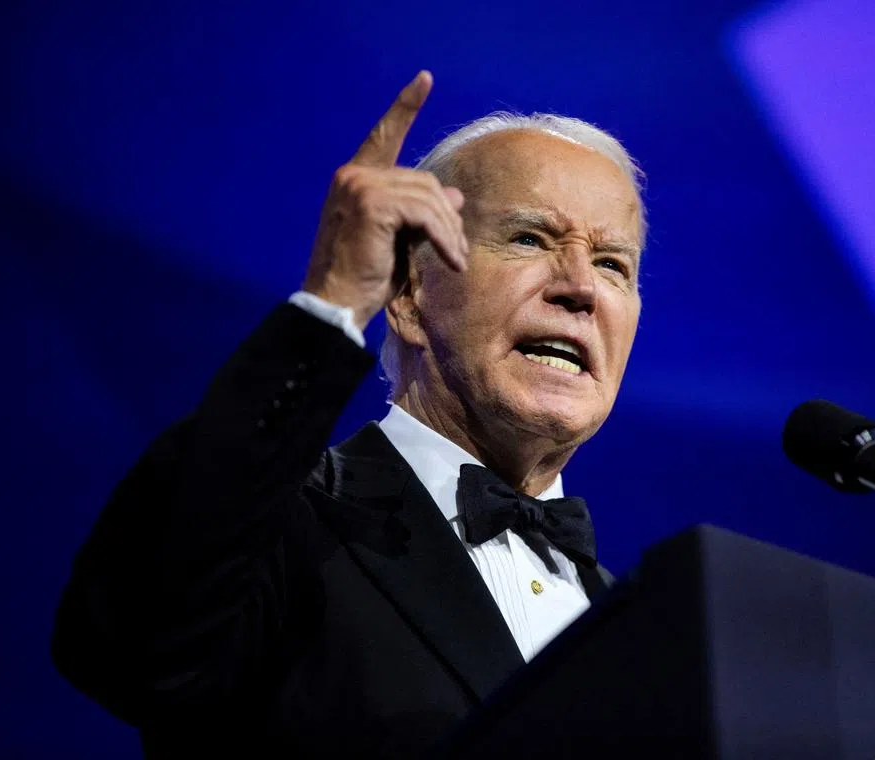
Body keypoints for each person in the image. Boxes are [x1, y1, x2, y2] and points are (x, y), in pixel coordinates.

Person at [51, 70, 645, 759]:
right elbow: (128, 646)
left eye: (612, 264)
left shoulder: (635, 623)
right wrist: (332, 303)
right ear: (408, 291)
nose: (579, 288)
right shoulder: (280, 524)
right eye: (529, 240)